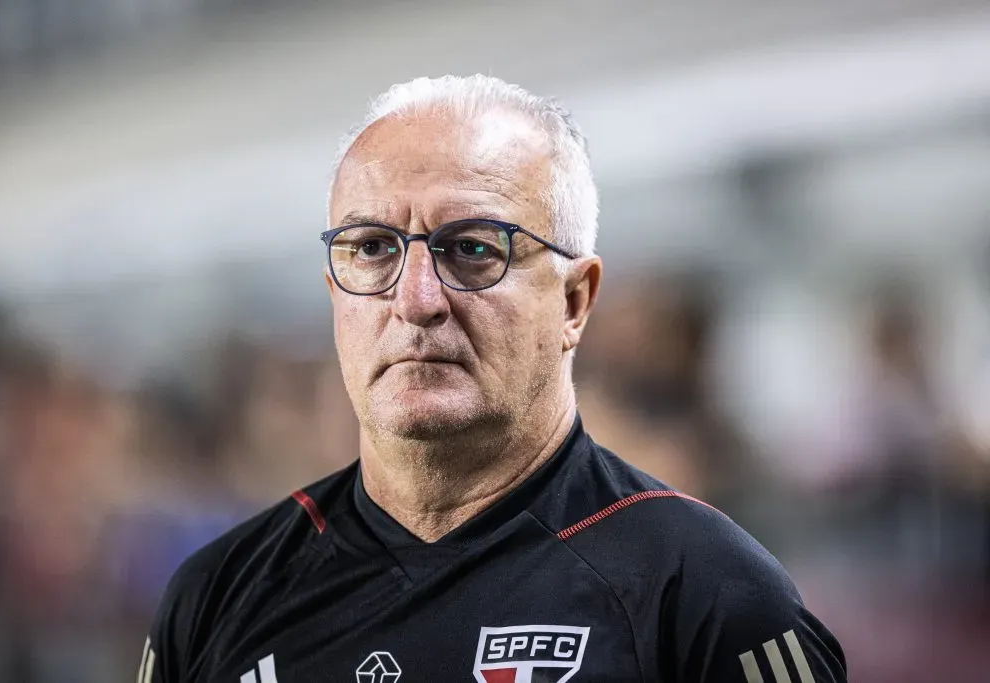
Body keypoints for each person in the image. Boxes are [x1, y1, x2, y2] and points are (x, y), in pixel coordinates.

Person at [138, 75, 847, 683]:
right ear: (334, 293)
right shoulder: (215, 598)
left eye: (474, 248)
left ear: (575, 300)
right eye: (373, 248)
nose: (416, 299)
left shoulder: (706, 595)